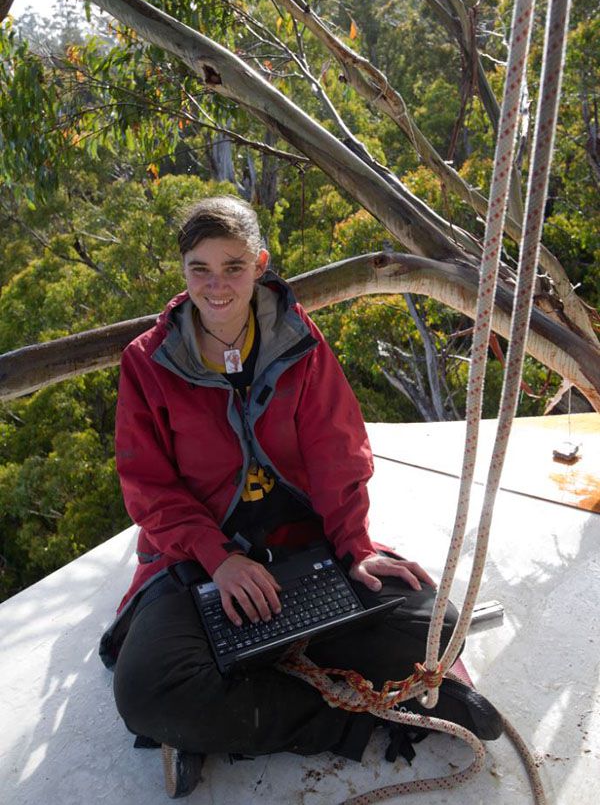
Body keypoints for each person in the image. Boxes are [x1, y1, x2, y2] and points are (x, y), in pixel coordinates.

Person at [100, 196, 502, 798]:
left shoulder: (298, 342)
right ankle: (351, 715)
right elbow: (149, 484)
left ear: (259, 264)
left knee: (436, 627)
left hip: (300, 547)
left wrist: (355, 546)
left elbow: (335, 449)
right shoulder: (148, 363)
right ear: (183, 272)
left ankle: (250, 672)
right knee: (148, 691)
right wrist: (219, 559)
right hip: (195, 564)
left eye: (233, 266)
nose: (217, 286)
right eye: (200, 269)